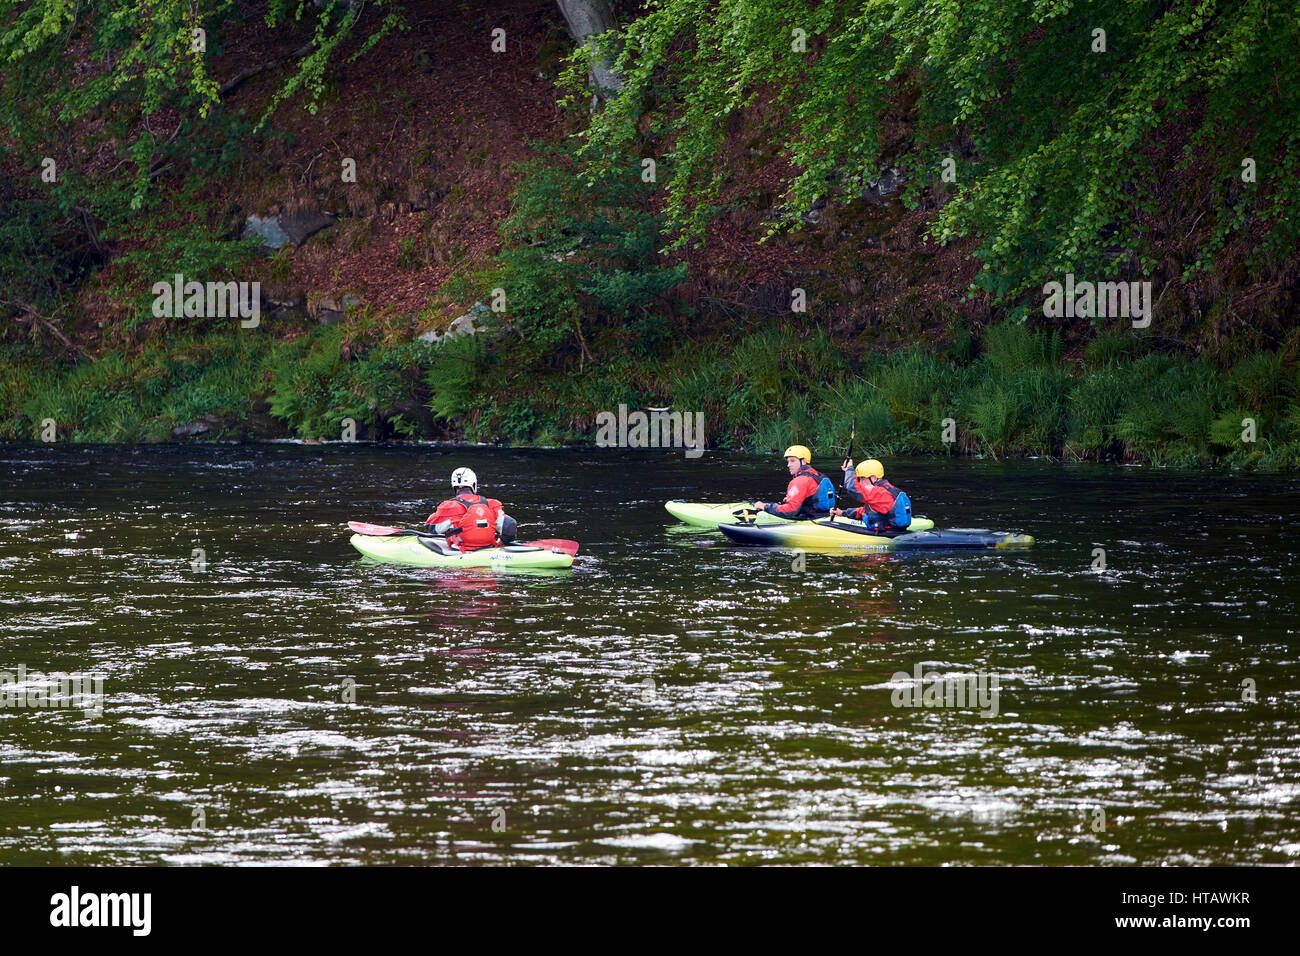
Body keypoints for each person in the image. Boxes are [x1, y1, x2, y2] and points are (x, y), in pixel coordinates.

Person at [424, 467, 518, 551]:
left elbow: (432, 528)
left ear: (454, 487)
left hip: (459, 551)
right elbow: (510, 525)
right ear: (473, 484)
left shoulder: (449, 506)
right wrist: (502, 542)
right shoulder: (491, 504)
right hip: (488, 549)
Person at [752, 445, 836, 519]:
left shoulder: (800, 481)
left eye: (792, 461)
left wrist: (765, 507)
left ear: (803, 461)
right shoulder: (818, 475)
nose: (788, 465)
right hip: (824, 515)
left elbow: (790, 510)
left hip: (811, 519)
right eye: (788, 461)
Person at [832, 458, 913, 532]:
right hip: (892, 530)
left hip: (888, 534)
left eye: (862, 478)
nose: (860, 482)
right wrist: (843, 513)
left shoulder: (879, 492)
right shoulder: (887, 489)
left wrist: (849, 468)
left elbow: (852, 489)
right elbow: (865, 511)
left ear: (873, 478)